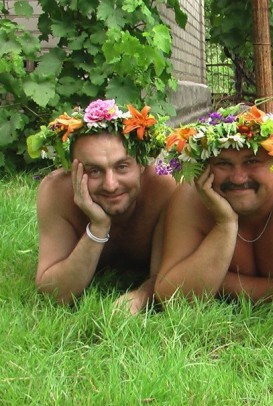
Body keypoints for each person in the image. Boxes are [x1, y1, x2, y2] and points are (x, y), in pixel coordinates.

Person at [153, 105, 273, 302]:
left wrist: (215, 280)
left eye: (252, 162)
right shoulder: (192, 197)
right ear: (205, 166)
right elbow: (169, 294)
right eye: (223, 163)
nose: (238, 178)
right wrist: (225, 224)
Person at [27, 99, 177, 314]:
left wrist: (141, 296)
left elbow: (169, 275)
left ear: (142, 164)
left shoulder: (163, 189)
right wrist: (98, 227)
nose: (111, 185)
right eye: (94, 171)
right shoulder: (56, 192)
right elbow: (54, 294)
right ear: (72, 170)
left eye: (122, 166)